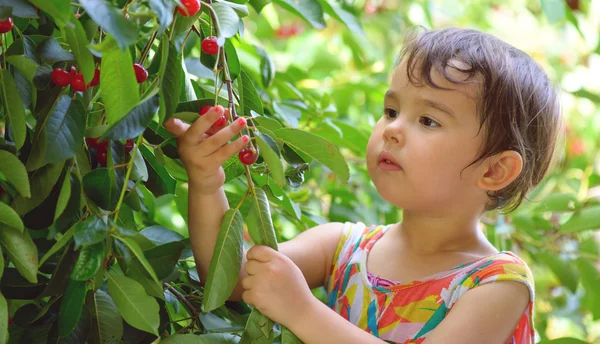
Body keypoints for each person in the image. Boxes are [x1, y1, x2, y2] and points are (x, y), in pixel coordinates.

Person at [163, 27, 562, 344]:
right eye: (391, 110)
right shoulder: (342, 249)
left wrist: (303, 312)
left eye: (428, 121)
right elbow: (230, 280)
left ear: (494, 172)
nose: (392, 130)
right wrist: (205, 182)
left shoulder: (497, 284)